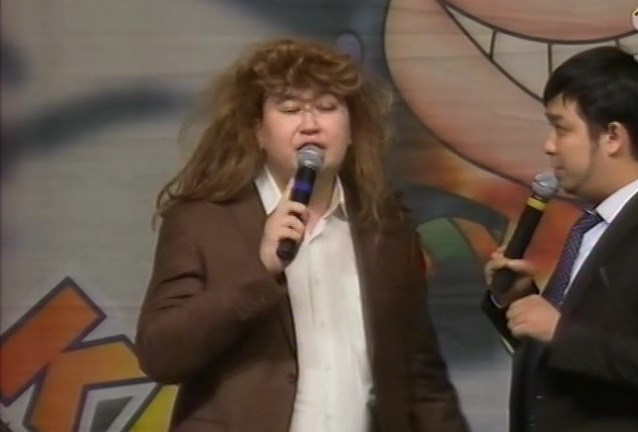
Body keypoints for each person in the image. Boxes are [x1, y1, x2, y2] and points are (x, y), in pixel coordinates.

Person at [135, 38, 468, 432]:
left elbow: (420, 375)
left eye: (327, 107)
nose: (310, 124)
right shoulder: (204, 220)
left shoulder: (385, 226)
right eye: (290, 109)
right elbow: (161, 356)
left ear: (351, 128)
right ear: (257, 131)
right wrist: (260, 269)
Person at [482, 46, 638, 432]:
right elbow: (569, 360)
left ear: (613, 136)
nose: (549, 145)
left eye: (562, 128)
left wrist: (560, 332)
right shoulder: (593, 226)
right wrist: (520, 300)